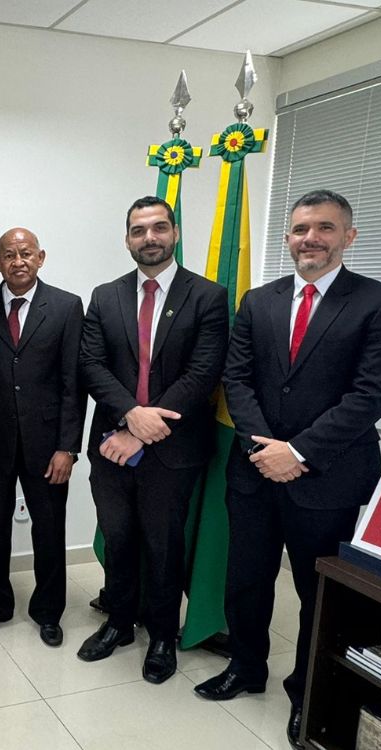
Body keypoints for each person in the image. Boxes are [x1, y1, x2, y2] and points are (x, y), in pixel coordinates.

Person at [193, 189, 381, 750]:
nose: (310, 238)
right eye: (300, 229)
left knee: (319, 595)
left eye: (325, 228)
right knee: (246, 580)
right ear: (287, 237)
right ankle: (246, 667)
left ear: (348, 237)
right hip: (254, 470)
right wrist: (265, 448)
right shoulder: (257, 301)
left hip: (330, 478)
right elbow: (237, 379)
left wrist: (299, 453)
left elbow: (371, 395)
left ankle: (307, 694)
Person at [78, 196, 228, 684]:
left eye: (159, 228)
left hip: (173, 449)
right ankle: (119, 623)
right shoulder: (105, 296)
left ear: (175, 233)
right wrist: (129, 418)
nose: (149, 238)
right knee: (119, 538)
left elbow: (203, 373)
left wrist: (142, 431)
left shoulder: (208, 296)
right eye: (139, 230)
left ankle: (163, 636)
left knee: (164, 546)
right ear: (127, 239)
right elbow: (91, 365)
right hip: (111, 447)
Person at [0, 227, 84, 647]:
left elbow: (73, 384)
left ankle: (48, 612)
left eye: (26, 253)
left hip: (48, 444)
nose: (18, 262)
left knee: (49, 531)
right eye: (9, 255)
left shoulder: (67, 307)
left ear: (40, 257)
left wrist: (68, 447)